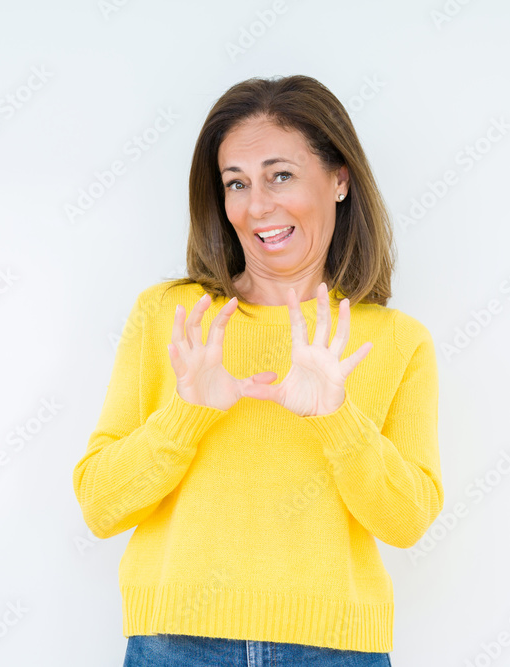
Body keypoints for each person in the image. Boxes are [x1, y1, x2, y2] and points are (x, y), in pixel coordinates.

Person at [71, 74, 444, 666]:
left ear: (339, 179)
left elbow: (405, 521)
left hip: (334, 652)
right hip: (176, 647)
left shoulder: (396, 342)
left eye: (281, 175)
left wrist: (337, 419)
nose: (258, 206)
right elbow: (100, 506)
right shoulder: (173, 317)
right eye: (236, 183)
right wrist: (187, 414)